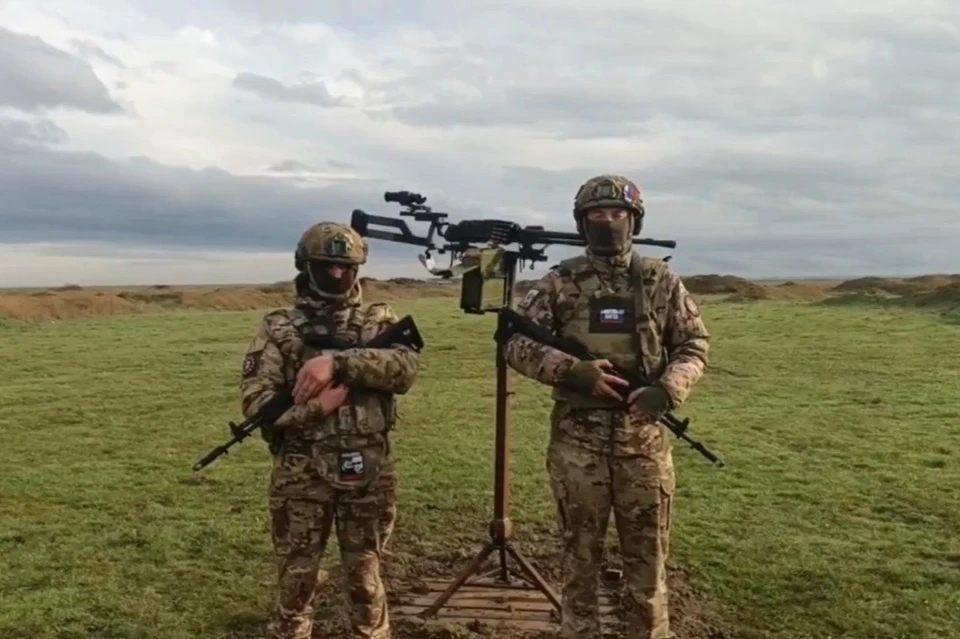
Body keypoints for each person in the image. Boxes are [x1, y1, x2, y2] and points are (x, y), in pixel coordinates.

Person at [503, 175, 710, 639]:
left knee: (649, 567)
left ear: (634, 219)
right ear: (582, 222)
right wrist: (570, 370)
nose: (608, 223)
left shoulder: (661, 280)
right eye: (597, 214)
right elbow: (514, 344)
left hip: (644, 446)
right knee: (578, 564)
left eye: (618, 214)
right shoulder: (560, 282)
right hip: (578, 448)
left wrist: (666, 391)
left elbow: (694, 344)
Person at [239, 221, 421, 639]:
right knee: (296, 581)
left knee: (366, 578)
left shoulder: (379, 320)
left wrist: (337, 364)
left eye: (347, 267)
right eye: (327, 266)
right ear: (306, 266)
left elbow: (404, 369)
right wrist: (316, 408)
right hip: (301, 473)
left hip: (369, 471)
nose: (338, 275)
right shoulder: (278, 327)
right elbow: (257, 404)